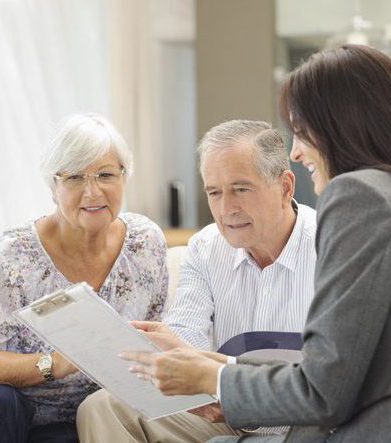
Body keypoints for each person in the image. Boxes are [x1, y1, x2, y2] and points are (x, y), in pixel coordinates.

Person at [121, 44, 391, 442]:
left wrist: (212, 376)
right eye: (214, 192)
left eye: (301, 132)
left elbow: (322, 391)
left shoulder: (359, 196)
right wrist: (211, 366)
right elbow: (344, 369)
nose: (298, 151)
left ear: (341, 126)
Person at [77, 120, 317, 442]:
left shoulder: (331, 245)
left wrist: (220, 379)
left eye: (241, 189)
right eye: (214, 193)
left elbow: (333, 379)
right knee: (102, 407)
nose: (226, 209)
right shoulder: (205, 248)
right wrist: (169, 351)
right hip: (228, 412)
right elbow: (186, 340)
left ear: (286, 187)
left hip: (307, 419)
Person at [0, 113, 168, 443]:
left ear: (124, 177)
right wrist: (54, 363)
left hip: (76, 417)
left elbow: (152, 346)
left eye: (105, 175)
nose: (92, 192)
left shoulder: (145, 244)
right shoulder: (15, 254)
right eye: (74, 178)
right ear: (53, 186)